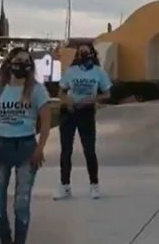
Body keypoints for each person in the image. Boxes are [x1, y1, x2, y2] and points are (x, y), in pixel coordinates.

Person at [0, 47, 51, 244]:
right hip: (1, 147)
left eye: (26, 61)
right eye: (18, 60)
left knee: (21, 203)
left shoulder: (37, 90)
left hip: (26, 147)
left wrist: (40, 148)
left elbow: (46, 122)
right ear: (9, 63)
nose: (22, 64)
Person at [53, 43, 112, 200]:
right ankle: (64, 186)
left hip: (86, 113)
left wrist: (92, 99)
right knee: (66, 151)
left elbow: (107, 94)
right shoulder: (71, 72)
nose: (84, 54)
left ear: (93, 53)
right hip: (69, 113)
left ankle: (94, 185)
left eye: (87, 52)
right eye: (81, 52)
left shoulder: (99, 73)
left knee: (89, 150)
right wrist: (67, 101)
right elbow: (61, 92)